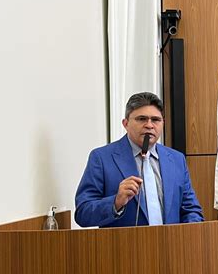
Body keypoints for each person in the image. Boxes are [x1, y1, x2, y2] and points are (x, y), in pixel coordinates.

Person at [75, 92, 204, 227]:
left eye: (155, 120)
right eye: (142, 119)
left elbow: (191, 209)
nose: (149, 125)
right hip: (124, 246)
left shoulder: (176, 159)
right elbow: (83, 213)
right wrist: (116, 202)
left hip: (171, 246)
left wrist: (189, 234)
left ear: (162, 123)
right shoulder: (101, 158)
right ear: (125, 124)